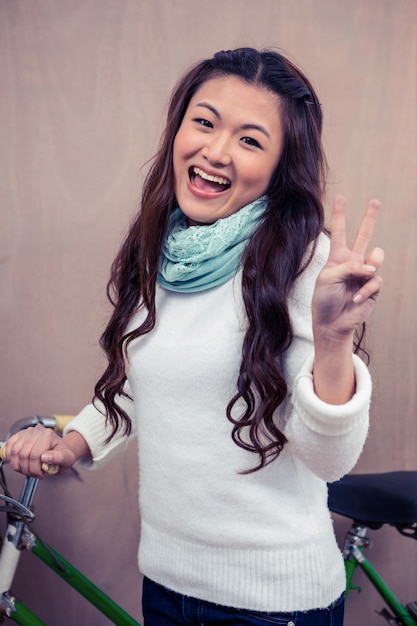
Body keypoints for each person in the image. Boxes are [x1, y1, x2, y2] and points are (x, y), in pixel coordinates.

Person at [5, 47, 384, 625]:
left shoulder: (305, 263)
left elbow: (328, 460)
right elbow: (144, 387)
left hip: (271, 606)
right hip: (166, 584)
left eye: (250, 140)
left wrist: (333, 341)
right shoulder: (167, 254)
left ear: (281, 167)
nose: (215, 150)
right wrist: (73, 443)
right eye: (203, 122)